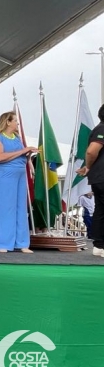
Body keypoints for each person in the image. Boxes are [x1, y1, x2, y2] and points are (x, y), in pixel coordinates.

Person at [0, 111, 38, 253]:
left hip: (20, 173)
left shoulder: (17, 137)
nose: (18, 123)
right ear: (7, 122)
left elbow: (20, 155)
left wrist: (27, 154)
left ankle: (22, 243)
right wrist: (22, 151)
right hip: (5, 175)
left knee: (20, 208)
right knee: (5, 208)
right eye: (15, 120)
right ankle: (3, 243)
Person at [77, 104, 104, 256]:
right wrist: (88, 167)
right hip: (101, 177)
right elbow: (91, 151)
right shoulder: (102, 129)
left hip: (98, 177)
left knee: (100, 210)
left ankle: (99, 246)